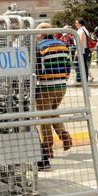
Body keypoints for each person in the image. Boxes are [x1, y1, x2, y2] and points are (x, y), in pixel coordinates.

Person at [34, 23, 73, 168]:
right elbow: (68, 65)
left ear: (42, 34)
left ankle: (47, 148)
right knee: (53, 112)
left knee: (44, 117)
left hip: (46, 86)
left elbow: (37, 67)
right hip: (61, 86)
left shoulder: (40, 47)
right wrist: (63, 79)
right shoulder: (62, 45)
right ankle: (65, 137)